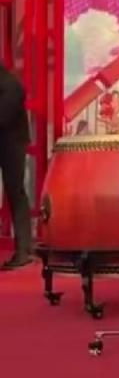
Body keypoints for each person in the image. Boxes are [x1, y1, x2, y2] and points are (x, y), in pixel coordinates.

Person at [0, 63, 32, 270]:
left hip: (12, 144)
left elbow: (3, 117)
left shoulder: (11, 85)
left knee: (15, 193)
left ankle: (23, 251)